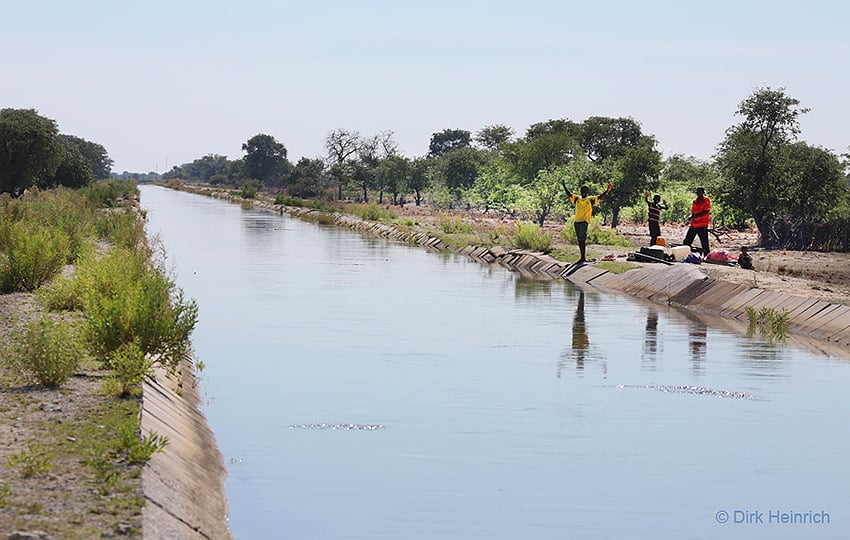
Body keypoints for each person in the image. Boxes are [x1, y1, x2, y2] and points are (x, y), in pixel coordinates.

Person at [562, 181, 613, 264]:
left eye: (585, 191)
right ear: (580, 192)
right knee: (580, 240)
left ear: (587, 192)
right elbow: (569, 194)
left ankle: (583, 258)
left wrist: (607, 190)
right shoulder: (577, 199)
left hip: (584, 222)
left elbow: (600, 197)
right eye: (582, 191)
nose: (583, 192)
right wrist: (564, 185)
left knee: (582, 239)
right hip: (577, 222)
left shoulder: (590, 200)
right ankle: (582, 257)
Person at [682, 187, 711, 256]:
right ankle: (685, 254)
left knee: (704, 243)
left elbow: (706, 211)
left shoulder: (706, 200)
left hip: (702, 225)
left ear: (703, 192)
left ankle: (707, 257)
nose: (698, 193)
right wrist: (690, 217)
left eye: (700, 191)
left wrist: (694, 216)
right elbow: (693, 212)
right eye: (697, 191)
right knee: (687, 241)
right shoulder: (695, 201)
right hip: (694, 224)